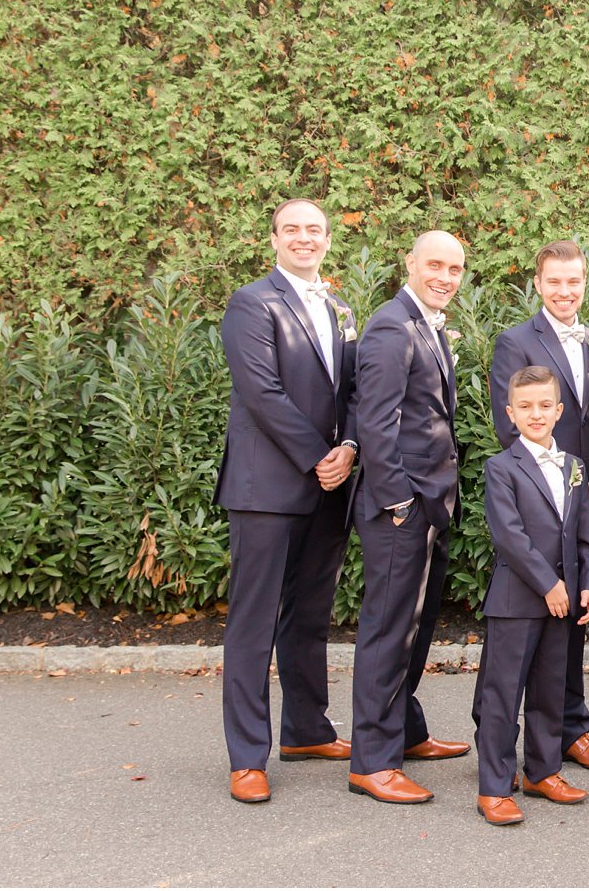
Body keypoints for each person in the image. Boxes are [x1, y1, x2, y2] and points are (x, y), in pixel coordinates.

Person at [216, 198, 359, 804]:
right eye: (293, 230)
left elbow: (355, 385)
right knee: (254, 621)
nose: (305, 239)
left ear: (327, 241)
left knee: (309, 613)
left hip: (331, 483)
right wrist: (319, 456)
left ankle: (306, 729)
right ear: (273, 238)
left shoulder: (340, 307)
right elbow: (262, 392)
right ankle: (248, 755)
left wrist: (349, 446)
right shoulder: (251, 303)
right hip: (267, 488)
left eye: (315, 230)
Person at [489, 240, 589, 774]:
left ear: (584, 283)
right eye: (555, 282)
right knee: (536, 618)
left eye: (574, 282)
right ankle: (521, 739)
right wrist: (559, 489)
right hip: (536, 503)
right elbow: (510, 426)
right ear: (539, 284)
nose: (565, 291)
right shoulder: (515, 341)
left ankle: (572, 731)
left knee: (576, 619)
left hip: (585, 496)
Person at [347, 230, 470, 805]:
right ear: (411, 265)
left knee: (415, 628)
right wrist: (398, 502)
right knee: (388, 630)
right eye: (435, 265)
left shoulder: (426, 323)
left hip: (430, 502)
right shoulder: (391, 325)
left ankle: (405, 732)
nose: (445, 276)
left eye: (455, 268)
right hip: (402, 507)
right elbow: (374, 422)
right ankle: (371, 761)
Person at [474, 366, 589, 826]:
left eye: (544, 405)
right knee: (503, 695)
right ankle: (494, 785)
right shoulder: (501, 468)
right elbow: (510, 537)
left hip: (565, 600)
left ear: (559, 411)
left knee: (550, 690)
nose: (536, 414)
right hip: (519, 600)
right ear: (510, 413)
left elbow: (585, 536)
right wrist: (549, 584)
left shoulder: (574, 467)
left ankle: (543, 771)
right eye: (525, 407)